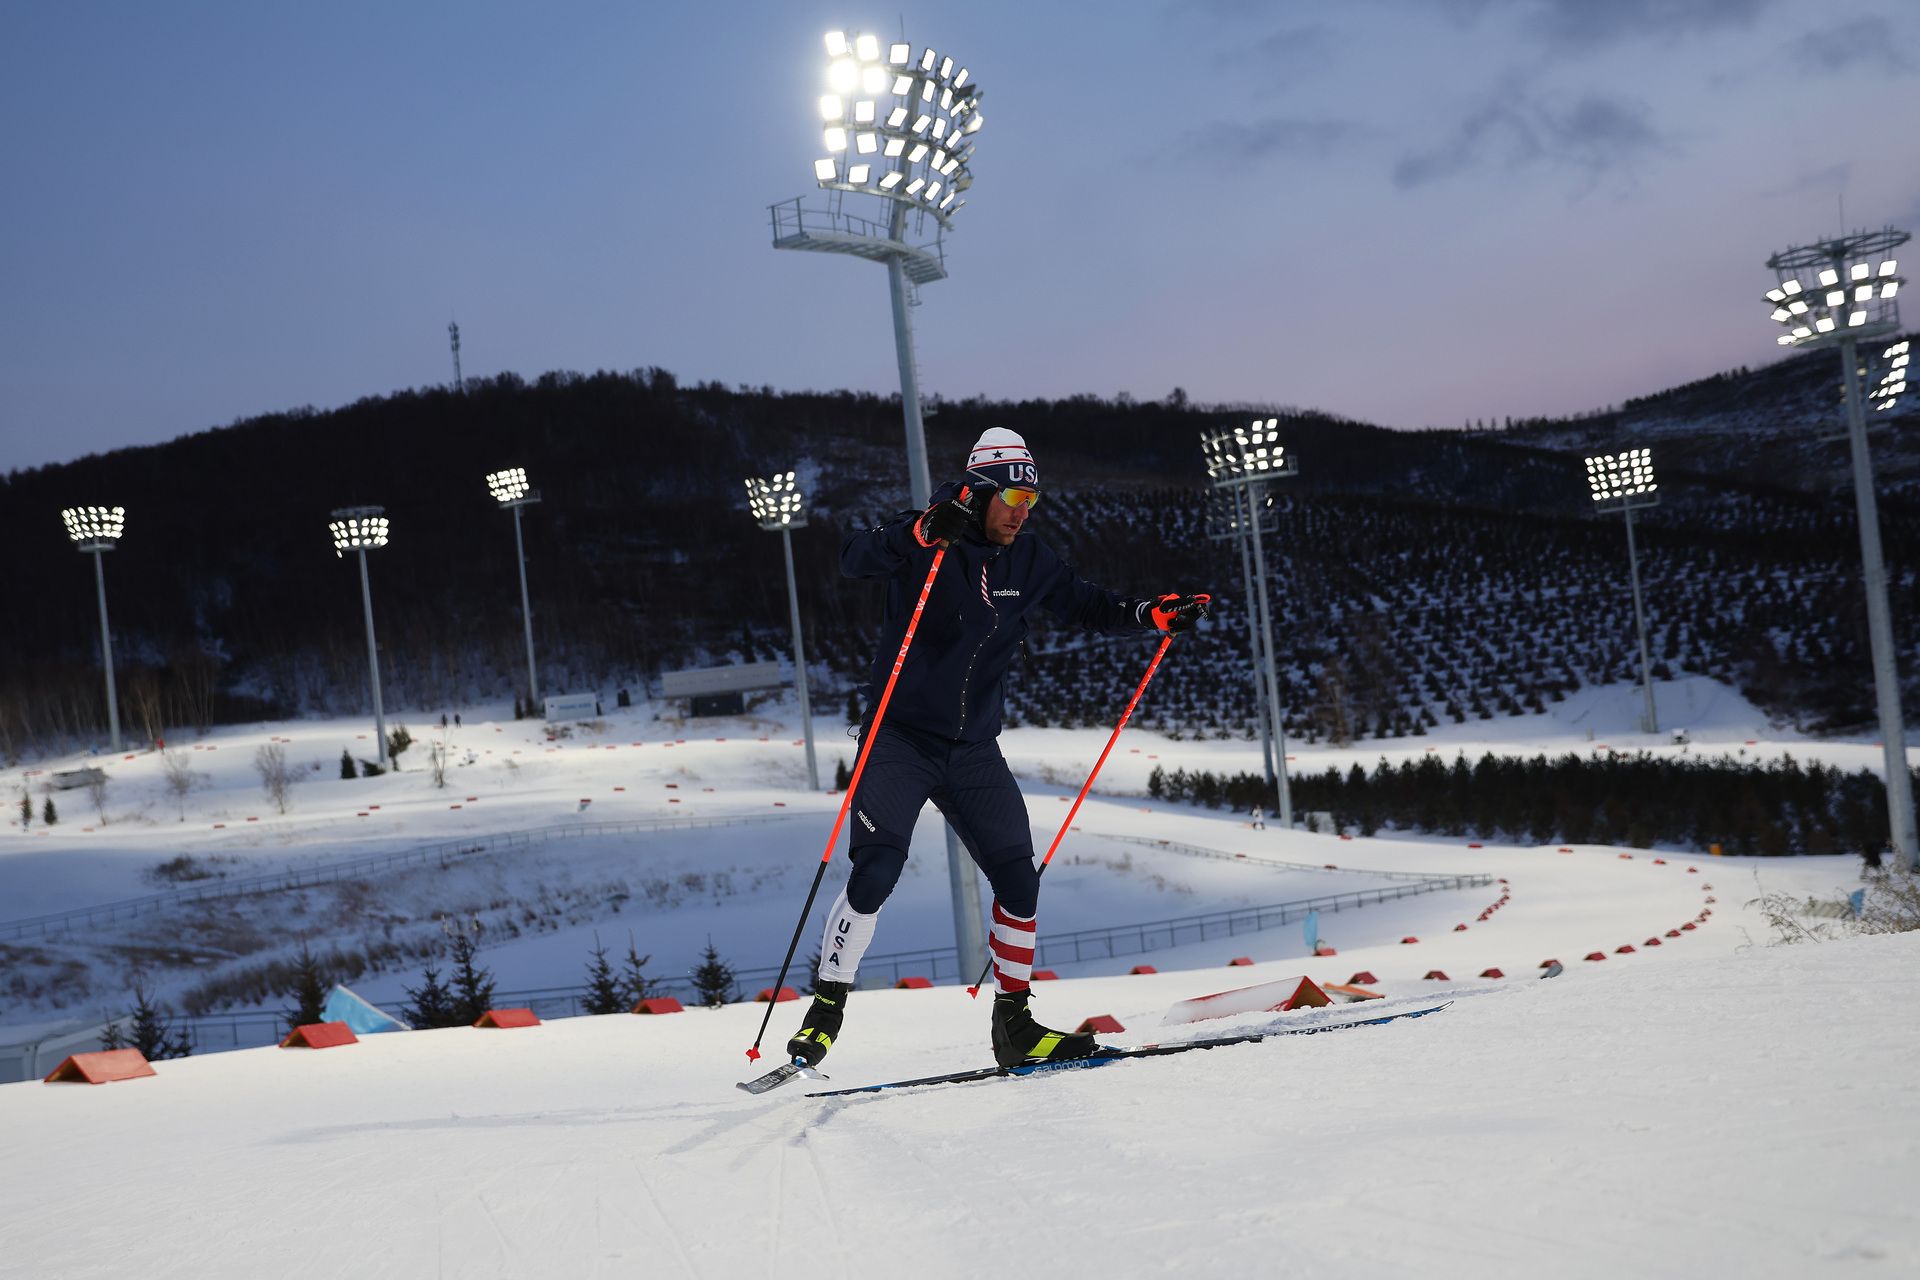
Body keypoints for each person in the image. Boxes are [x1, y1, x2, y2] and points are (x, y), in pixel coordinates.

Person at [788, 428, 1209, 1069]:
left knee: (1019, 879)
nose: (1021, 510)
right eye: (1012, 494)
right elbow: (855, 558)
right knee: (876, 871)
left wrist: (1151, 614)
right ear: (982, 491)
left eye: (1032, 499)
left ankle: (1014, 1026)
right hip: (899, 739)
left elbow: (1089, 606)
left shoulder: (1031, 560)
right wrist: (923, 534)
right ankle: (827, 1007)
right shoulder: (928, 535)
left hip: (972, 750)